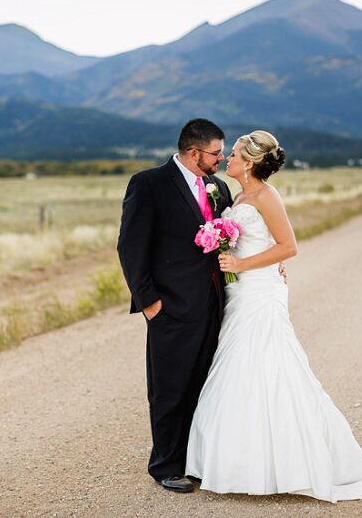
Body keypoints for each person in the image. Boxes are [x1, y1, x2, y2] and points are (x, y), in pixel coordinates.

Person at [184, 130, 362, 501]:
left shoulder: (266, 196)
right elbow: (261, 243)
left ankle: (286, 463)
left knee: (269, 365)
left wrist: (241, 263)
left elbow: (289, 246)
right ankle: (240, 460)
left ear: (249, 163)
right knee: (239, 366)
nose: (227, 159)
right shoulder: (239, 195)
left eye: (233, 154)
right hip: (242, 291)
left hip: (261, 293)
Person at [117, 118, 233, 493]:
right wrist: (150, 304)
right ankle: (166, 466)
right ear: (194, 151)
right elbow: (131, 248)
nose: (221, 158)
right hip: (171, 308)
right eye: (216, 152)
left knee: (204, 386)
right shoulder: (149, 184)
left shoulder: (219, 187)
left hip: (216, 305)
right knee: (170, 389)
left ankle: (196, 460)